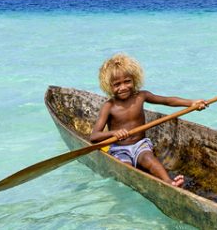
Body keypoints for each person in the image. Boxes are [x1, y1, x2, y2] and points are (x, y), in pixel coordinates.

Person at [89, 52, 207, 188]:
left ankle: (170, 183)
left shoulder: (141, 96)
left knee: (149, 159)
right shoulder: (109, 107)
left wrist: (191, 103)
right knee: (125, 168)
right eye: (117, 84)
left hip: (141, 145)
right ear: (109, 86)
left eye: (127, 81)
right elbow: (94, 136)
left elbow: (167, 101)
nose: (123, 87)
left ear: (134, 79)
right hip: (120, 149)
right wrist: (113, 133)